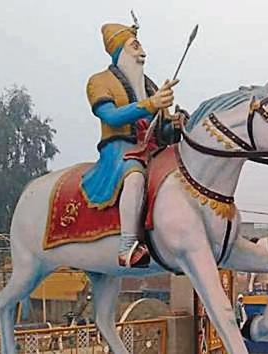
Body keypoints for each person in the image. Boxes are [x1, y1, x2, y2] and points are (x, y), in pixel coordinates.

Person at [82, 15, 182, 267]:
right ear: (119, 51)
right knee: (135, 177)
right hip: (120, 148)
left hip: (152, 149)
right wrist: (151, 104)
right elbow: (111, 116)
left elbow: (162, 130)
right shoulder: (99, 81)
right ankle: (127, 246)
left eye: (142, 47)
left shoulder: (149, 85)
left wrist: (175, 124)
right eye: (135, 47)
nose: (143, 53)